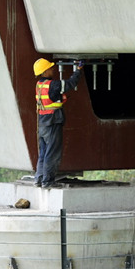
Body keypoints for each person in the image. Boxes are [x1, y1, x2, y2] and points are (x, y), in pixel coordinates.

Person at [33, 58, 84, 187]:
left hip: (43, 123)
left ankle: (39, 179)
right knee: (52, 153)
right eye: (50, 68)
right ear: (44, 72)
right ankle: (48, 182)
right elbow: (71, 83)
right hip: (52, 122)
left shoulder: (39, 85)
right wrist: (78, 70)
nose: (52, 69)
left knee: (44, 153)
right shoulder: (53, 85)